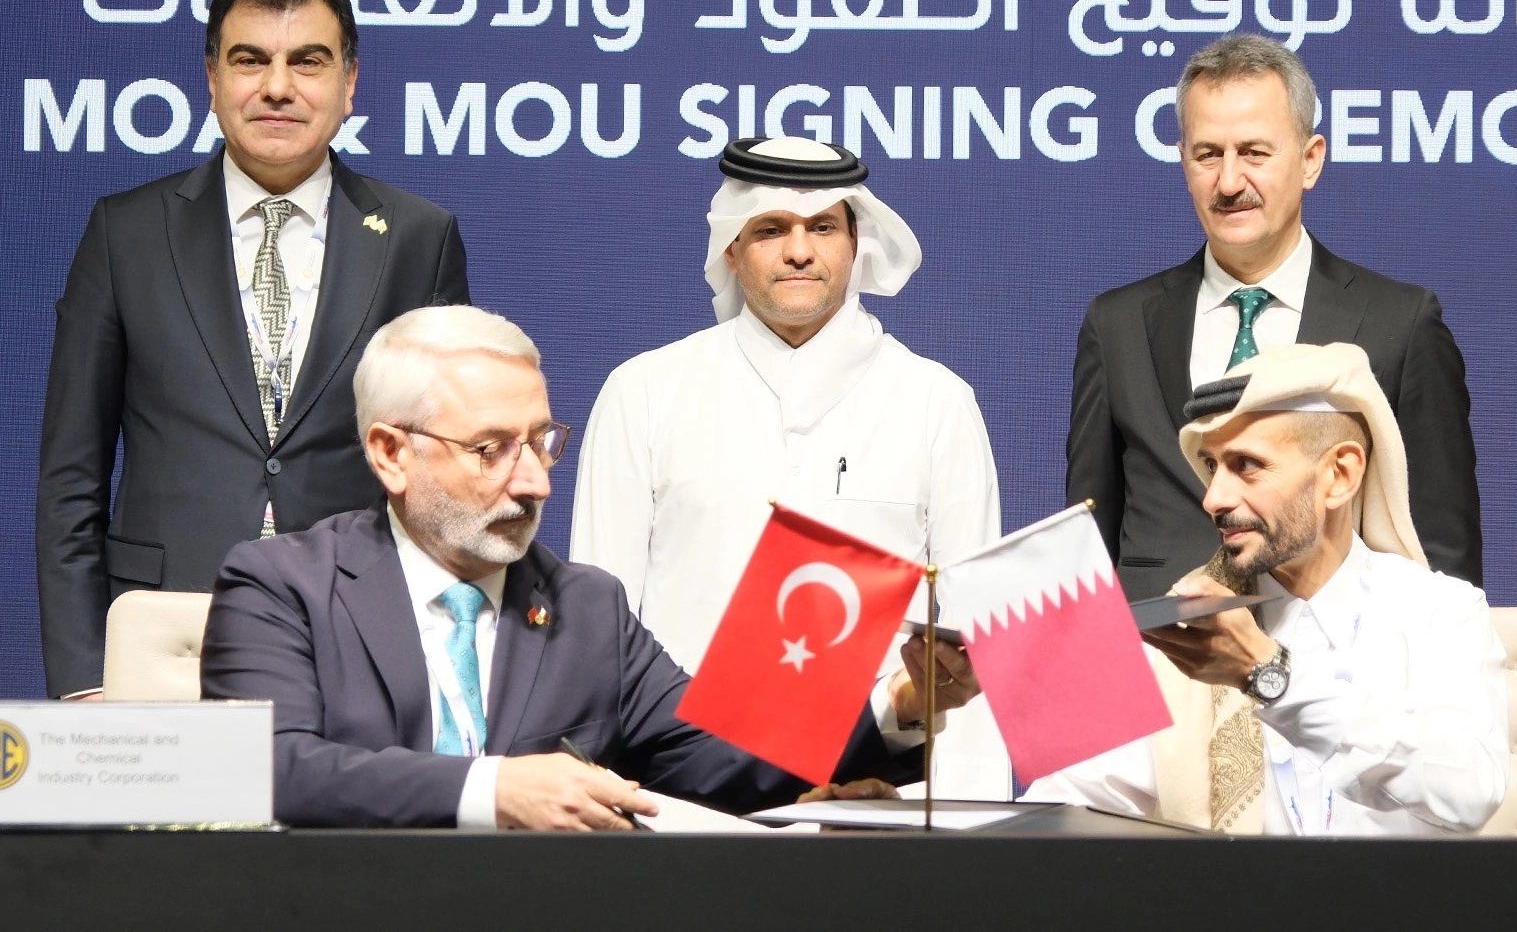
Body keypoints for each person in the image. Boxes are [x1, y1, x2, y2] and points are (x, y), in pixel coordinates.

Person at [200, 306, 955, 829]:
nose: (534, 481)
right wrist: (495, 789)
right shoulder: (283, 586)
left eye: (541, 441)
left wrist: (898, 704)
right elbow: (268, 768)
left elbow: (718, 757)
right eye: (491, 449)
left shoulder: (586, 607)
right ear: (391, 454)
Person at [36, 0, 470, 699]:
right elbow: (72, 479)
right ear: (212, 80)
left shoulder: (416, 239)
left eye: (308, 61)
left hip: (360, 639)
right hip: (163, 643)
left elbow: (442, 475)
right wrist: (82, 681)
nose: (277, 86)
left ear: (349, 84)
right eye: (249, 60)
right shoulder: (125, 234)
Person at [570, 136, 1006, 796]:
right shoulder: (644, 392)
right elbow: (600, 633)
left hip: (876, 804)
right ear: (731, 248)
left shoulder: (936, 402)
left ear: (857, 243)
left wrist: (966, 825)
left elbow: (974, 639)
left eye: (822, 227)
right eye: (771, 229)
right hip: (681, 800)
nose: (799, 251)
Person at [1028, 341, 1508, 835]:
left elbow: (1470, 793)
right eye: (1211, 466)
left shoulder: (1440, 612)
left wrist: (1268, 674)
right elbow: (1062, 810)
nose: (1213, 498)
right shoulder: (1179, 630)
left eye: (1247, 465)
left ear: (1340, 475)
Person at [1066, 34, 1482, 600]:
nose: (1229, 182)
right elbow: (1084, 548)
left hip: (1337, 648)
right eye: (1207, 154)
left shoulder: (1401, 324)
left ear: (1310, 160)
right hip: (1161, 645)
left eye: (1254, 153)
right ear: (1183, 160)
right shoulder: (1116, 325)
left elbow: (1444, 563)